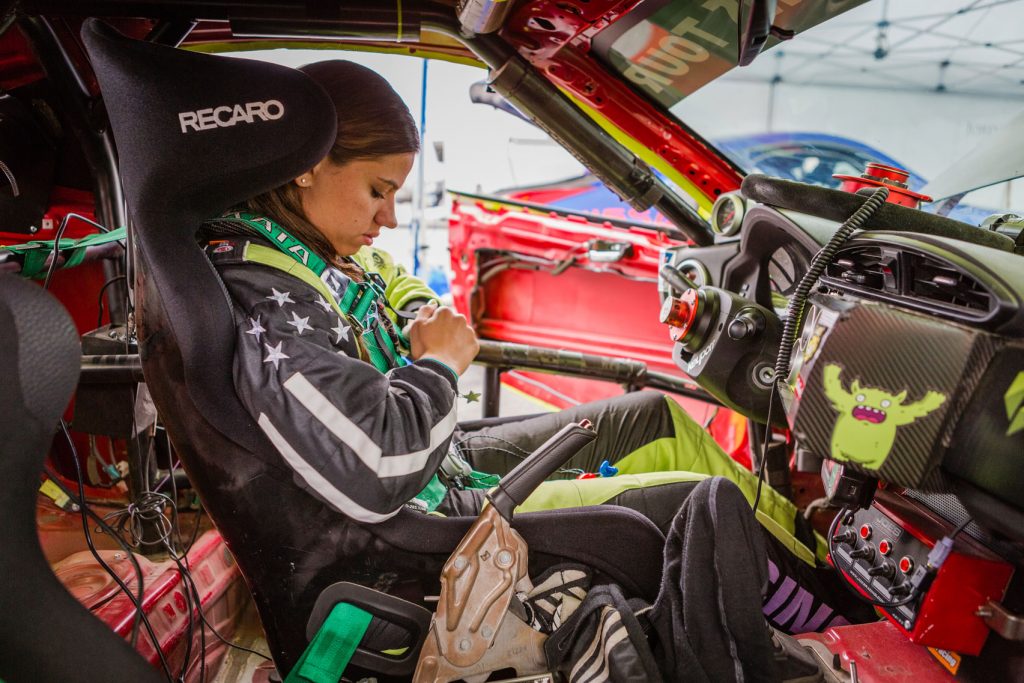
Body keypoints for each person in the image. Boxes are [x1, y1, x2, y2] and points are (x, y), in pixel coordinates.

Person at [198, 59, 869, 636]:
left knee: (653, 416)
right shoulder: (267, 295)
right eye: (379, 191)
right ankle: (856, 630)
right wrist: (439, 361)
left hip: (443, 465)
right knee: (705, 501)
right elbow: (376, 459)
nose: (390, 218)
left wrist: (421, 311)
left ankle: (813, 550)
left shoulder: (313, 250)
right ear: (311, 164)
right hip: (416, 527)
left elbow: (387, 277)